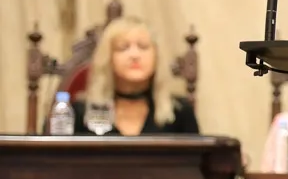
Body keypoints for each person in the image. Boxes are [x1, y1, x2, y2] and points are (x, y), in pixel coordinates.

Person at [70, 16, 199, 135]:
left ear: (157, 58)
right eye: (123, 48)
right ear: (108, 59)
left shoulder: (180, 112)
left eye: (143, 47)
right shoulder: (82, 113)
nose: (134, 55)